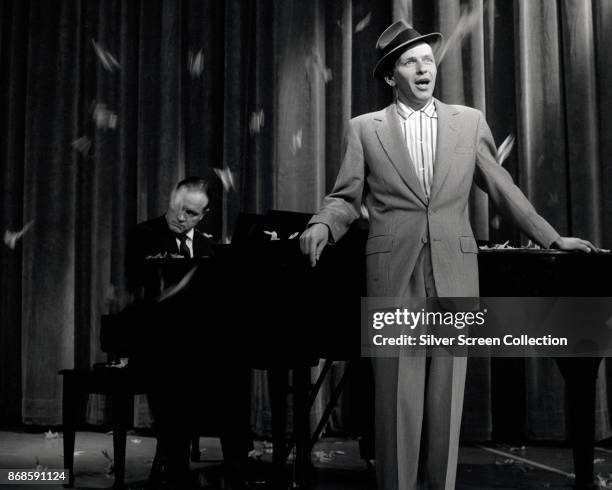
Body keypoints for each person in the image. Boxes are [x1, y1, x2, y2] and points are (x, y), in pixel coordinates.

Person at [299, 21, 596, 490]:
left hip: (455, 273)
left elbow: (501, 187)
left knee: (446, 399)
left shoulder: (469, 121)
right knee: (396, 400)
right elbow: (344, 196)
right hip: (392, 275)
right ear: (390, 75)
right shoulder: (364, 130)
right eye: (409, 61)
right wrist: (322, 223)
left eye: (426, 59)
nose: (423, 68)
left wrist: (550, 238)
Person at [126, 177, 252, 489]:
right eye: (179, 208)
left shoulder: (210, 248)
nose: (182, 218)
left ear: (204, 214)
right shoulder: (144, 235)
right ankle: (177, 468)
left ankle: (237, 467)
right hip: (159, 342)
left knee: (234, 370)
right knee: (179, 375)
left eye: (192, 213)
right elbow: (141, 290)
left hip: (199, 345)